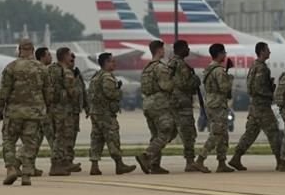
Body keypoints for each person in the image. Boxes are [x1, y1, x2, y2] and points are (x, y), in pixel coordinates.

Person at [0, 38, 52, 186]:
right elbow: (48, 92)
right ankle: (27, 174)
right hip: (34, 112)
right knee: (30, 143)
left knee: (9, 140)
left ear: (19, 50)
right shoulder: (42, 68)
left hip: (14, 111)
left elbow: (4, 91)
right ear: (33, 51)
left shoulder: (11, 67)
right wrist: (45, 107)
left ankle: (11, 168)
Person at [230, 42, 283, 171]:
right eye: (267, 50)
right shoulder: (262, 68)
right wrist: (270, 93)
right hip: (262, 107)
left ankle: (236, 158)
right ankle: (281, 161)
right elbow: (257, 88)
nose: (269, 52)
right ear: (262, 51)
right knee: (274, 133)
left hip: (255, 106)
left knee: (250, 134)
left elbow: (251, 86)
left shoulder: (254, 66)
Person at [87, 53, 136, 175]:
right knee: (112, 137)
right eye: (112, 61)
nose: (114, 63)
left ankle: (94, 165)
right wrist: (118, 92)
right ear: (106, 63)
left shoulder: (96, 76)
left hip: (96, 112)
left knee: (96, 139)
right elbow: (110, 94)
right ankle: (119, 164)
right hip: (106, 113)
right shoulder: (107, 77)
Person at [136, 40, 176, 174]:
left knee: (155, 135)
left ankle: (155, 164)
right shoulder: (160, 68)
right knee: (166, 131)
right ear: (159, 50)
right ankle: (146, 155)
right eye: (163, 49)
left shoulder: (147, 68)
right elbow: (167, 86)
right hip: (160, 103)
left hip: (148, 103)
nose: (164, 52)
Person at [195, 43, 235, 173]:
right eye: (223, 53)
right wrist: (230, 79)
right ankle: (200, 159)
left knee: (223, 134)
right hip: (217, 104)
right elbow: (224, 88)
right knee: (217, 133)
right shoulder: (218, 70)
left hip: (212, 103)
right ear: (219, 54)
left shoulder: (209, 68)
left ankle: (222, 163)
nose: (225, 55)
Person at [168, 39, 203, 172]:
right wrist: (195, 81)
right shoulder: (180, 64)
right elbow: (184, 84)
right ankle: (190, 162)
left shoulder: (171, 63)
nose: (188, 50)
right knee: (189, 133)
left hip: (173, 102)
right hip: (182, 103)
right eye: (186, 48)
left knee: (168, 133)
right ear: (181, 49)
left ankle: (151, 158)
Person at [47, 47, 80, 176]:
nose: (71, 57)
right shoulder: (66, 72)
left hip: (52, 108)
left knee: (57, 136)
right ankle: (56, 165)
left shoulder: (50, 69)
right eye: (69, 55)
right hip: (63, 109)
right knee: (61, 138)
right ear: (65, 56)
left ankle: (63, 164)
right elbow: (72, 92)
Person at [29, 46, 53, 177]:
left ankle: (28, 165)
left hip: (36, 110)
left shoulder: (33, 70)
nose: (51, 57)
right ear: (42, 57)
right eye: (48, 55)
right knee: (52, 138)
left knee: (35, 140)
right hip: (44, 110)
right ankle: (57, 164)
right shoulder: (44, 71)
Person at [70, 51, 88, 172]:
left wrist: (86, 106)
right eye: (71, 59)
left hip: (75, 111)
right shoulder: (60, 73)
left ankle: (68, 161)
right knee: (62, 139)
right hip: (65, 112)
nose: (73, 60)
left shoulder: (76, 73)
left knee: (71, 137)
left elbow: (82, 90)